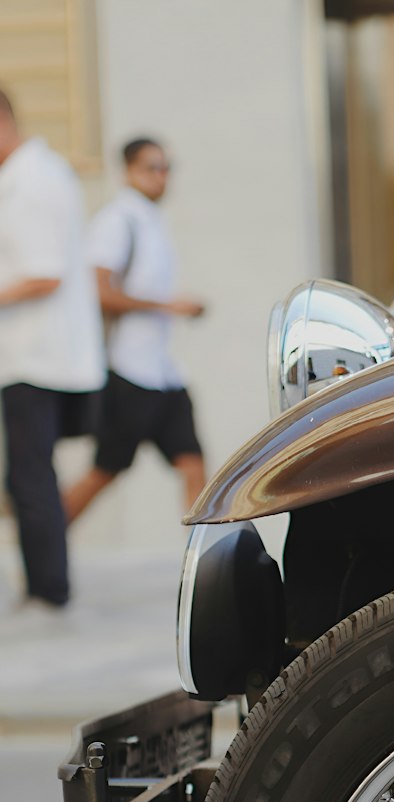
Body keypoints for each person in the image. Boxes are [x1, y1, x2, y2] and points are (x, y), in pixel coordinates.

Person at [63, 137, 206, 524]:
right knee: (104, 472)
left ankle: (203, 563)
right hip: (129, 373)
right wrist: (167, 306)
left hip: (163, 373)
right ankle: (43, 546)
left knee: (194, 467)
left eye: (165, 168)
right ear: (128, 171)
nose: (161, 177)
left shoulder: (152, 221)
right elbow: (98, 291)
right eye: (151, 168)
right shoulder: (117, 221)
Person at [0, 88, 104, 611]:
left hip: (36, 356)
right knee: (24, 475)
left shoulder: (34, 181)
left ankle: (49, 589)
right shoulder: (26, 177)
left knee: (30, 474)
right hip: (31, 355)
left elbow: (42, 274)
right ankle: (45, 583)